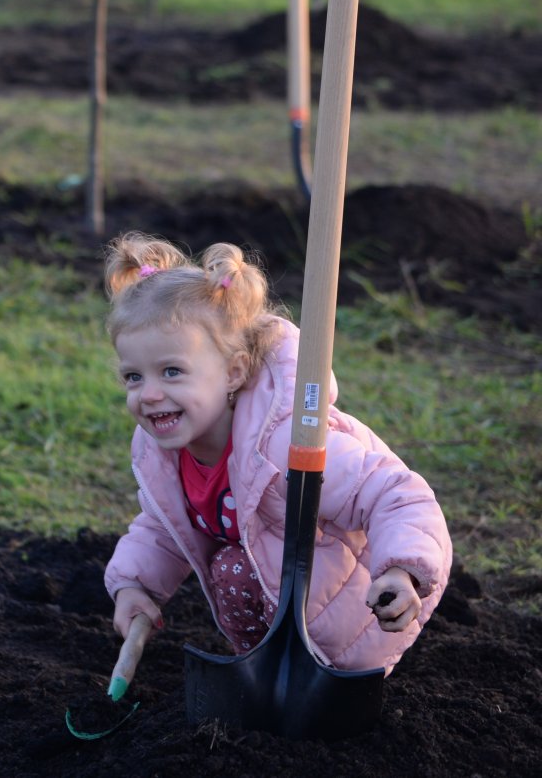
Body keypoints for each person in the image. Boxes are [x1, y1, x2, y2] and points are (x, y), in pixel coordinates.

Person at [101, 234, 451, 673]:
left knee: (235, 569)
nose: (149, 394)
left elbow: (397, 494)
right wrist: (133, 586)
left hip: (366, 603)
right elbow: (166, 526)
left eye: (172, 371)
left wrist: (401, 570)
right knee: (233, 568)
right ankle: (262, 671)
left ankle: (304, 674)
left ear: (233, 372)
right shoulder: (164, 454)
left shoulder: (288, 444)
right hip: (280, 603)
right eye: (133, 377)